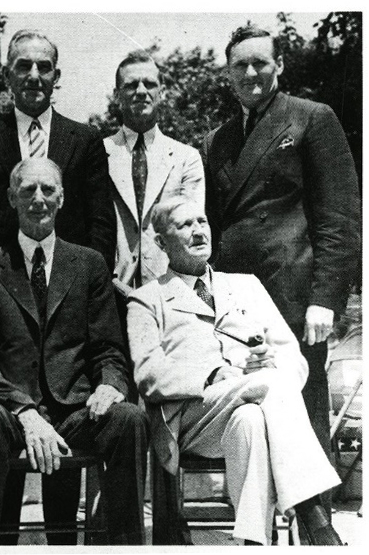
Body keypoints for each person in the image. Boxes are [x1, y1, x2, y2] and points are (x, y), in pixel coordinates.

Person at [202, 25, 361, 499]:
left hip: (292, 296)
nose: (250, 72)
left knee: (303, 405)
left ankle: (317, 523)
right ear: (228, 73)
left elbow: (341, 218)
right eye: (240, 65)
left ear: (280, 66)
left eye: (260, 62)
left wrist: (325, 299)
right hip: (234, 301)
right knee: (247, 410)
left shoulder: (312, 118)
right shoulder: (217, 140)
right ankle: (257, 524)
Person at [127, 198, 343, 545]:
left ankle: (254, 543)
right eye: (185, 226)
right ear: (160, 242)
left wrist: (270, 364)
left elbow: (293, 357)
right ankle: (312, 513)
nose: (199, 231)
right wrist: (211, 375)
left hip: (254, 402)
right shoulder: (147, 299)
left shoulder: (245, 285)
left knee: (252, 421)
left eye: (202, 221)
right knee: (267, 387)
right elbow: (148, 374)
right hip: (192, 417)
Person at [0, 158, 148, 545]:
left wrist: (111, 385)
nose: (38, 199)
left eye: (48, 190)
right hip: (11, 413)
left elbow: (109, 348)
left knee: (127, 418)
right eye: (28, 190)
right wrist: (25, 412)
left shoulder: (89, 264)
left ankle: (126, 546)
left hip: (76, 410)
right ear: (12, 198)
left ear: (62, 198)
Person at [0, 29, 115, 267]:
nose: (34, 76)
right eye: (24, 66)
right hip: (1, 285)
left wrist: (89, 283)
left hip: (69, 284)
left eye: (44, 67)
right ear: (7, 75)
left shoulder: (85, 140)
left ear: (56, 76)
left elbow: (101, 224)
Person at [105, 50, 204, 290]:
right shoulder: (98, 154)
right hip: (110, 293)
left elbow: (191, 228)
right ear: (117, 95)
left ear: (162, 93)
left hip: (171, 292)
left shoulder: (186, 157)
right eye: (131, 85)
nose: (141, 91)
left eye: (149, 84)